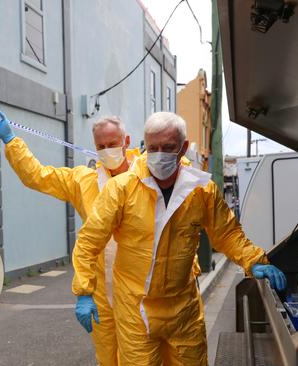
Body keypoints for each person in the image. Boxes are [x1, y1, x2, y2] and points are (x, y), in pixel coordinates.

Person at [71, 112, 286, 366]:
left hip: (182, 308)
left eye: (168, 147)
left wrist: (253, 260)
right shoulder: (122, 189)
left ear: (183, 148)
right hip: (135, 310)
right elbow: (90, 239)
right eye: (153, 147)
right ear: (144, 145)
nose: (159, 154)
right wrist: (84, 290)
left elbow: (226, 232)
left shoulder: (200, 190)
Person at [0, 111, 138, 366]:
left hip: (137, 290)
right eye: (101, 146)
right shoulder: (83, 181)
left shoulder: (145, 177)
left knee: (139, 358)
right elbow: (38, 176)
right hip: (101, 290)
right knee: (107, 357)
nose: (107, 150)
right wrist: (11, 140)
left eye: (113, 144)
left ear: (127, 141)